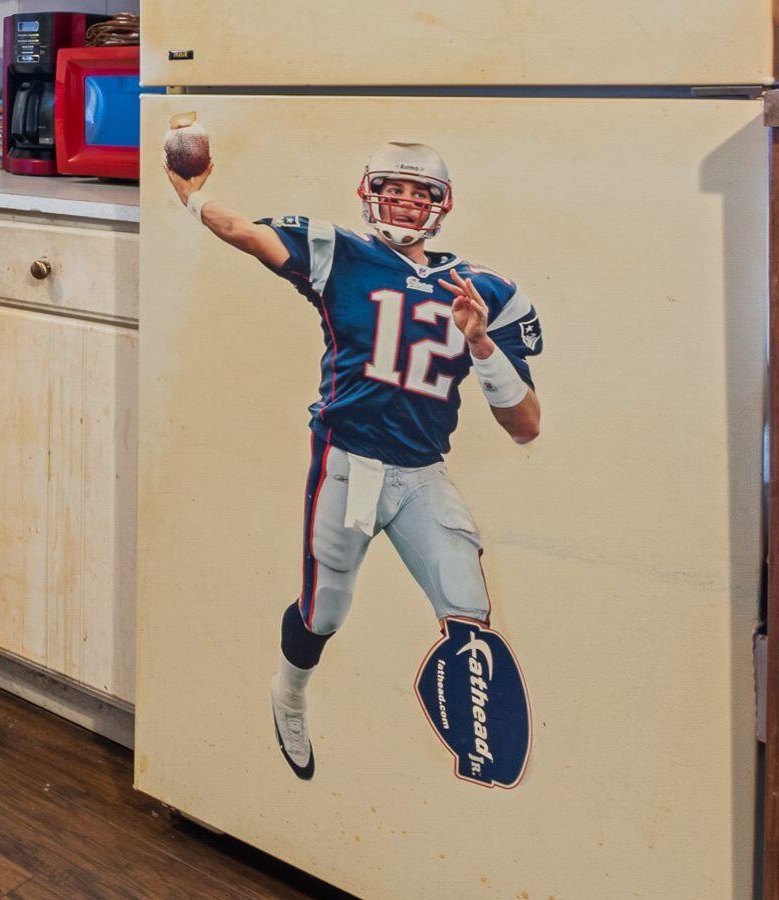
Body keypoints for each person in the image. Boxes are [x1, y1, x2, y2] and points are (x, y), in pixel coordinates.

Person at [163, 134, 540, 782]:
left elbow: (525, 426)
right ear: (370, 194)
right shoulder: (339, 253)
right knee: (325, 611)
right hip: (348, 462)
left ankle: (479, 746)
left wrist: (480, 343)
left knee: (468, 609)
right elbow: (247, 234)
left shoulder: (486, 292)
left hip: (422, 474)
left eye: (418, 193)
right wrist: (192, 196)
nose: (405, 202)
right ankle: (289, 692)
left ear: (441, 204)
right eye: (393, 189)